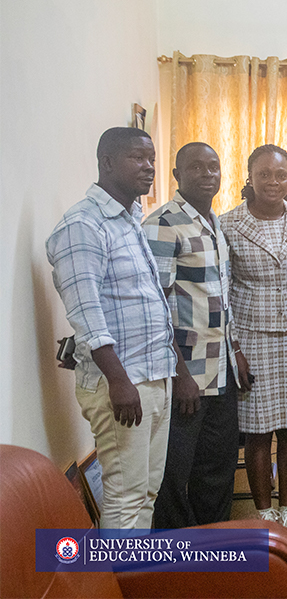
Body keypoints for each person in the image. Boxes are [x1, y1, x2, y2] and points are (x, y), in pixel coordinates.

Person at [46, 127, 184, 530]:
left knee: (147, 491)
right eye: (137, 159)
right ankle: (115, 587)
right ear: (107, 162)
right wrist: (118, 381)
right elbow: (86, 312)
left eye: (152, 159)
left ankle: (134, 580)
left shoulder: (128, 219)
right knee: (125, 494)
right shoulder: (83, 225)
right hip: (122, 383)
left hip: (154, 373)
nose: (149, 168)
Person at [220, 144, 287, 550]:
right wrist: (235, 348)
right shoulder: (228, 225)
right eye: (264, 174)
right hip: (251, 336)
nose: (273, 182)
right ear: (250, 177)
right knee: (258, 433)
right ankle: (265, 518)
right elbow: (222, 294)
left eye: (281, 175)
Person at [144, 142, 240, 528]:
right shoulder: (162, 225)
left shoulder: (214, 222)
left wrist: (235, 353)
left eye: (213, 167)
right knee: (173, 472)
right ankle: (175, 557)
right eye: (196, 167)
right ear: (176, 175)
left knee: (217, 468)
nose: (207, 174)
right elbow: (156, 309)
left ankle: (212, 544)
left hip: (221, 370)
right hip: (186, 376)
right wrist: (180, 375)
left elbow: (220, 300)